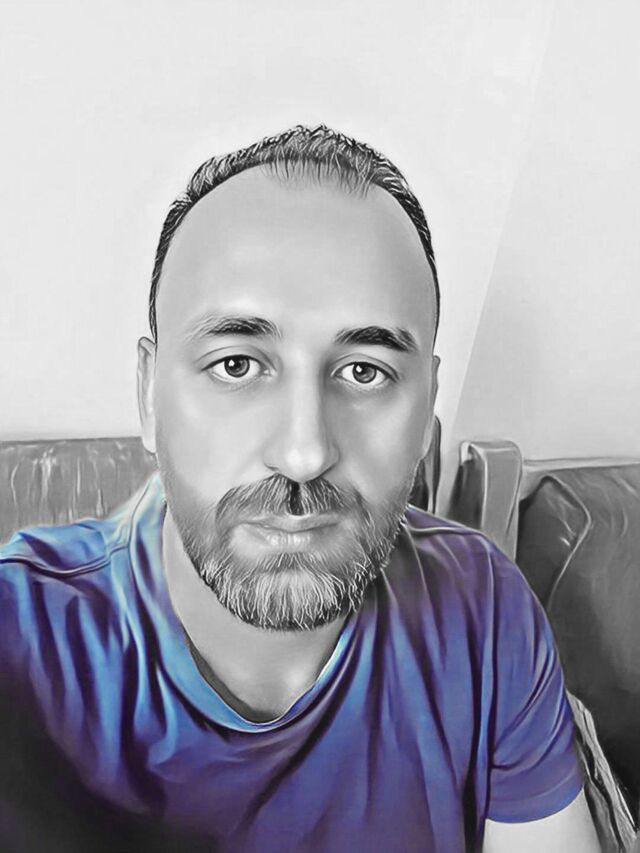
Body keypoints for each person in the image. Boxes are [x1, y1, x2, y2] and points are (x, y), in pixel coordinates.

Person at [0, 125, 599, 852]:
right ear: (149, 396)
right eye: (237, 365)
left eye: (364, 372)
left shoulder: (486, 614)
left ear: (427, 410)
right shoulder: (21, 639)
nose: (304, 453)